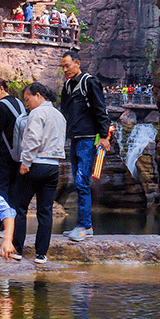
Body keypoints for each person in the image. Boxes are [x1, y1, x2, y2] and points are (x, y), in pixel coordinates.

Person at [59, 51, 113, 241]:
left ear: (78, 63)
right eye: (62, 67)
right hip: (74, 138)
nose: (65, 70)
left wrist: (105, 137)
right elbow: (63, 111)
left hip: (88, 139)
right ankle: (81, 224)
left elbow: (100, 109)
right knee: (78, 180)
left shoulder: (89, 82)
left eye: (68, 65)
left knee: (82, 180)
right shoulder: (67, 85)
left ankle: (86, 226)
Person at [12, 81, 66, 264]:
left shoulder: (37, 113)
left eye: (28, 100)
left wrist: (25, 162)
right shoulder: (60, 116)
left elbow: (32, 140)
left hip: (36, 164)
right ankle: (41, 254)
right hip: (53, 167)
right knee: (45, 211)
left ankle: (17, 249)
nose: (27, 104)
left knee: (19, 207)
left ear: (38, 96)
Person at [0, 75, 25, 205]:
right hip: (18, 154)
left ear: (1, 89)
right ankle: (13, 222)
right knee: (14, 189)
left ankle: (1, 222)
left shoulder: (0, 105)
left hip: (1, 155)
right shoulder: (19, 103)